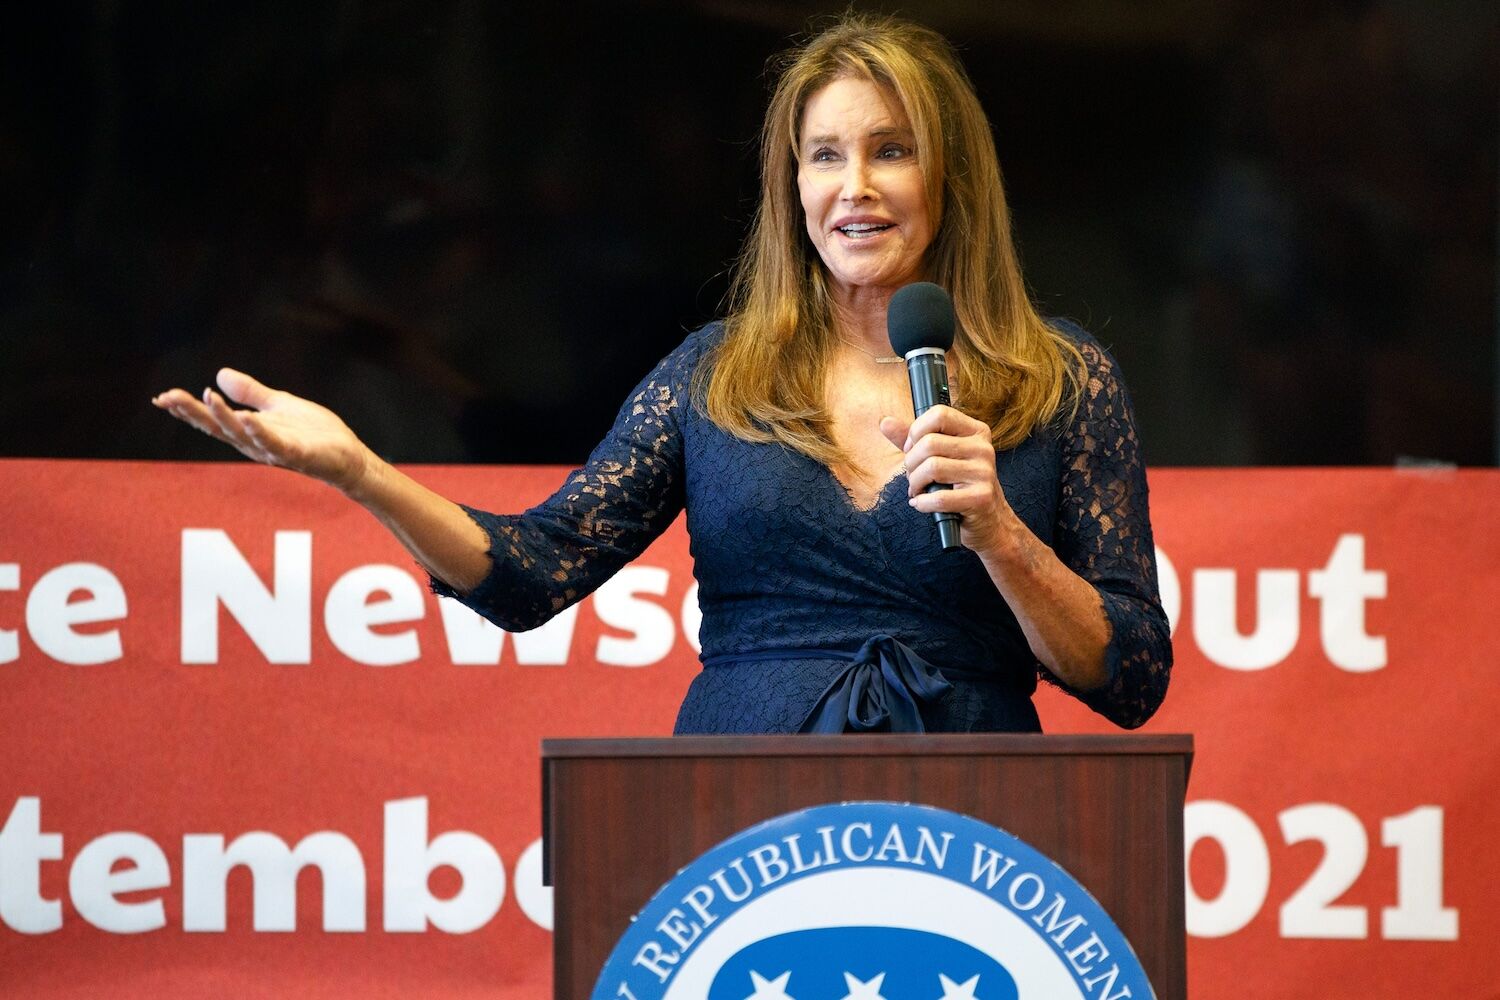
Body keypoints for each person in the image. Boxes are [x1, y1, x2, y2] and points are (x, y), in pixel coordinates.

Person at [153, 13, 1171, 734]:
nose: (854, 188)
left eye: (890, 151)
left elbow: (1129, 676)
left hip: (974, 833)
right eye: (823, 157)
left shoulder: (1062, 377)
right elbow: (532, 572)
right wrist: (359, 470)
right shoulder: (713, 377)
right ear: (792, 187)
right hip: (737, 824)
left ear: (951, 175)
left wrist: (998, 532)